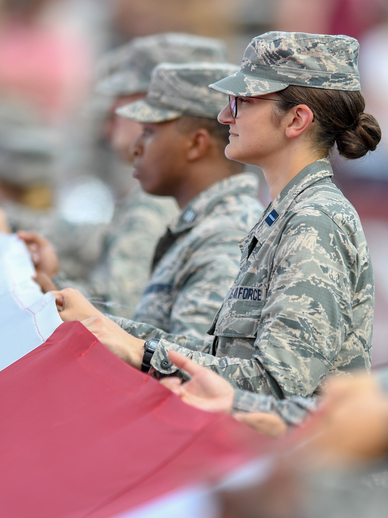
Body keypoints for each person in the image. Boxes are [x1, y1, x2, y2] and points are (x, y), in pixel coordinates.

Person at [52, 31, 380, 402]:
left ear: (296, 120)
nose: (224, 115)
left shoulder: (314, 222)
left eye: (241, 102)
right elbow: (227, 359)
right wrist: (103, 324)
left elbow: (277, 386)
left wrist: (137, 350)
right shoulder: (286, 215)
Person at [34, 61, 264, 339]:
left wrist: (92, 321)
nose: (136, 147)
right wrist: (57, 288)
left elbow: (192, 364)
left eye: (149, 133)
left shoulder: (226, 234)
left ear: (196, 144)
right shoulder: (199, 225)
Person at [16, 33, 230, 319]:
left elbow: (121, 319)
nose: (111, 119)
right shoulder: (169, 195)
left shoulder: (160, 201)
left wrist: (51, 289)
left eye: (123, 101)